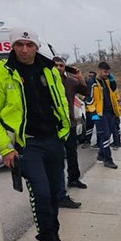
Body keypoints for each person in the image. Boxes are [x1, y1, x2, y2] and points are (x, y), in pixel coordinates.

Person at [0, 29, 72, 241]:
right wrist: (5, 147)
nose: (24, 49)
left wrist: (64, 132)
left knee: (54, 193)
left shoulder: (49, 69)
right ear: (13, 47)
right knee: (41, 193)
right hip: (28, 144)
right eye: (19, 45)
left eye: (29, 45)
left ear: (36, 47)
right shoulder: (0, 72)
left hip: (53, 139)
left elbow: (61, 100)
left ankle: (54, 234)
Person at [53, 56, 88, 208]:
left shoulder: (70, 82)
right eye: (56, 65)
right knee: (58, 157)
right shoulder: (47, 81)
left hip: (70, 124)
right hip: (55, 126)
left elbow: (85, 91)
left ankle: (73, 179)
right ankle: (58, 191)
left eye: (61, 65)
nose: (58, 68)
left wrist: (80, 77)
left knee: (72, 153)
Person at [85, 62, 121, 169]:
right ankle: (107, 159)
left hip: (110, 112)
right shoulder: (92, 82)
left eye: (108, 72)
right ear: (99, 70)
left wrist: (112, 81)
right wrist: (94, 116)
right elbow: (89, 100)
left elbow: (114, 92)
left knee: (107, 135)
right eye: (105, 72)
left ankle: (101, 154)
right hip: (99, 114)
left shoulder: (106, 81)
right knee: (105, 135)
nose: (107, 74)